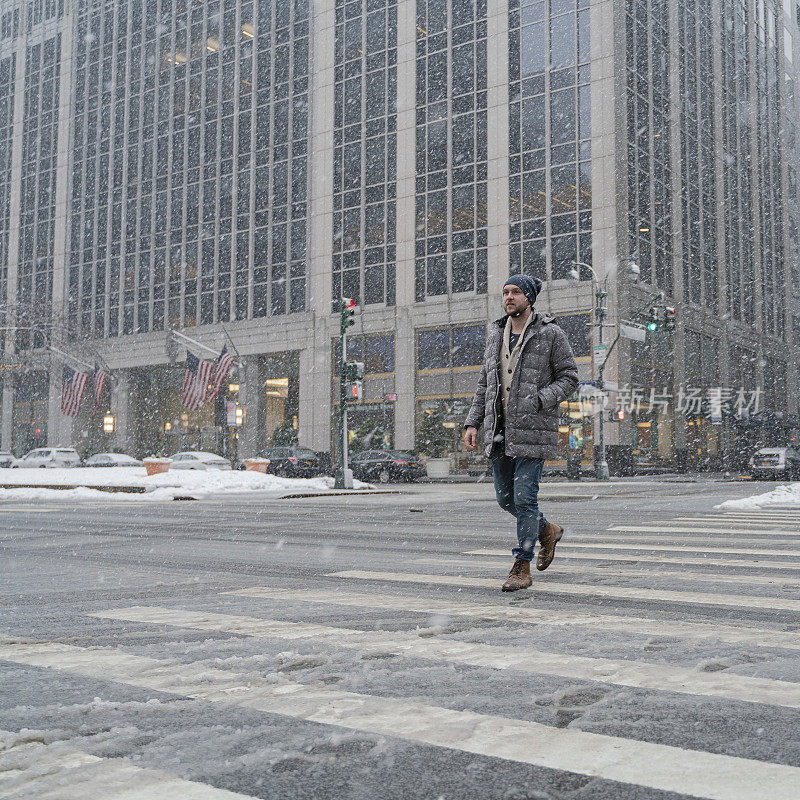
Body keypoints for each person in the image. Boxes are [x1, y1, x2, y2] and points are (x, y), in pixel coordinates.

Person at [463, 275, 579, 591]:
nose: (509, 297)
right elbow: (485, 384)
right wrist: (472, 422)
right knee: (505, 499)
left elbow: (570, 378)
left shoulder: (550, 334)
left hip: (533, 430)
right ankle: (547, 530)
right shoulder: (495, 333)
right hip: (499, 430)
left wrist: (541, 398)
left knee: (524, 496)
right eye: (505, 293)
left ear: (529, 297)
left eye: (515, 292)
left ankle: (521, 565)